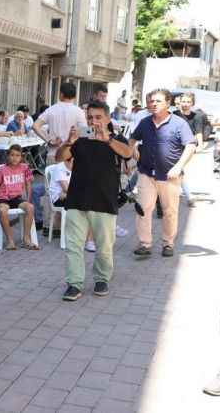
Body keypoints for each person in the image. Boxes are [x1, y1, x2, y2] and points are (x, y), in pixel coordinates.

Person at [60, 101, 133, 301]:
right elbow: (60, 157)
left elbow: (128, 154)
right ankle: (74, 284)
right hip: (77, 199)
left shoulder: (116, 139)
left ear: (108, 118)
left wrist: (107, 139)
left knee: (105, 245)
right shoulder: (80, 139)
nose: (94, 121)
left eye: (98, 117)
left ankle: (102, 278)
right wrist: (69, 141)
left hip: (104, 200)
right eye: (90, 117)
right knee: (73, 245)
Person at [129, 88, 196, 258]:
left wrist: (179, 166)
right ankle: (145, 244)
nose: (153, 104)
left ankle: (168, 243)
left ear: (168, 103)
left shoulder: (179, 123)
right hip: (146, 173)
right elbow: (132, 139)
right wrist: (133, 148)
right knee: (143, 209)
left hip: (169, 175)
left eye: (158, 101)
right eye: (151, 101)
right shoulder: (144, 122)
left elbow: (190, 145)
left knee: (169, 211)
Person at [0, 144, 37, 250]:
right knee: (2, 210)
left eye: (17, 155)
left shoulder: (24, 168)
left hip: (16, 197)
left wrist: (28, 200)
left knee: (30, 207)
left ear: (21, 157)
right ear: (7, 156)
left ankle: (26, 239)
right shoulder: (1, 170)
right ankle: (10, 240)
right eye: (12, 155)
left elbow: (28, 184)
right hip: (3, 198)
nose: (15, 158)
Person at [33, 82, 88, 162]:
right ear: (75, 96)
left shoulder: (51, 110)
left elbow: (35, 126)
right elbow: (87, 132)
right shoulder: (79, 111)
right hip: (71, 155)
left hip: (53, 154)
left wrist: (48, 140)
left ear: (61, 94)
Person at [175, 92, 208, 207]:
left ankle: (186, 194)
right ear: (179, 102)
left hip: (188, 147)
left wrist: (200, 145)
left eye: (188, 102)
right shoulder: (174, 114)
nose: (185, 104)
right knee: (178, 169)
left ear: (192, 103)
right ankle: (187, 195)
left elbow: (199, 131)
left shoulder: (197, 116)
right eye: (183, 101)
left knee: (179, 168)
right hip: (173, 146)